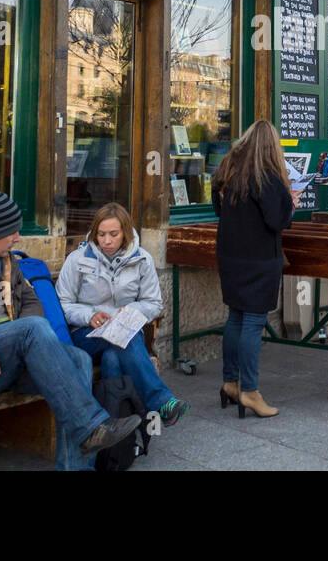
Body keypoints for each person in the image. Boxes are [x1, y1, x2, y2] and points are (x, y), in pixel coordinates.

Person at [0, 189, 140, 470]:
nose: (18, 238)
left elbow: (32, 302)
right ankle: (92, 425)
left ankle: (76, 467)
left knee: (78, 358)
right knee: (32, 328)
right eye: (12, 232)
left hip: (21, 357)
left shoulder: (7, 260)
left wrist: (28, 336)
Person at [58, 202, 190, 427]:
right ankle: (161, 402)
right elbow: (64, 303)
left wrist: (131, 311)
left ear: (125, 233)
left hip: (122, 334)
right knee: (126, 340)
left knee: (114, 354)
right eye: (101, 234)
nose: (106, 241)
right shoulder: (77, 259)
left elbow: (153, 303)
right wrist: (89, 315)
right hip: (86, 335)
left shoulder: (142, 260)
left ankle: (117, 423)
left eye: (113, 234)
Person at [211, 119, 302, 418]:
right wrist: (291, 203)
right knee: (252, 322)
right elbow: (277, 220)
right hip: (259, 259)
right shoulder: (268, 177)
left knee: (235, 317)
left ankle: (230, 382)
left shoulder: (227, 173)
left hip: (230, 256)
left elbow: (219, 210)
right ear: (272, 147)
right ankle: (250, 391)